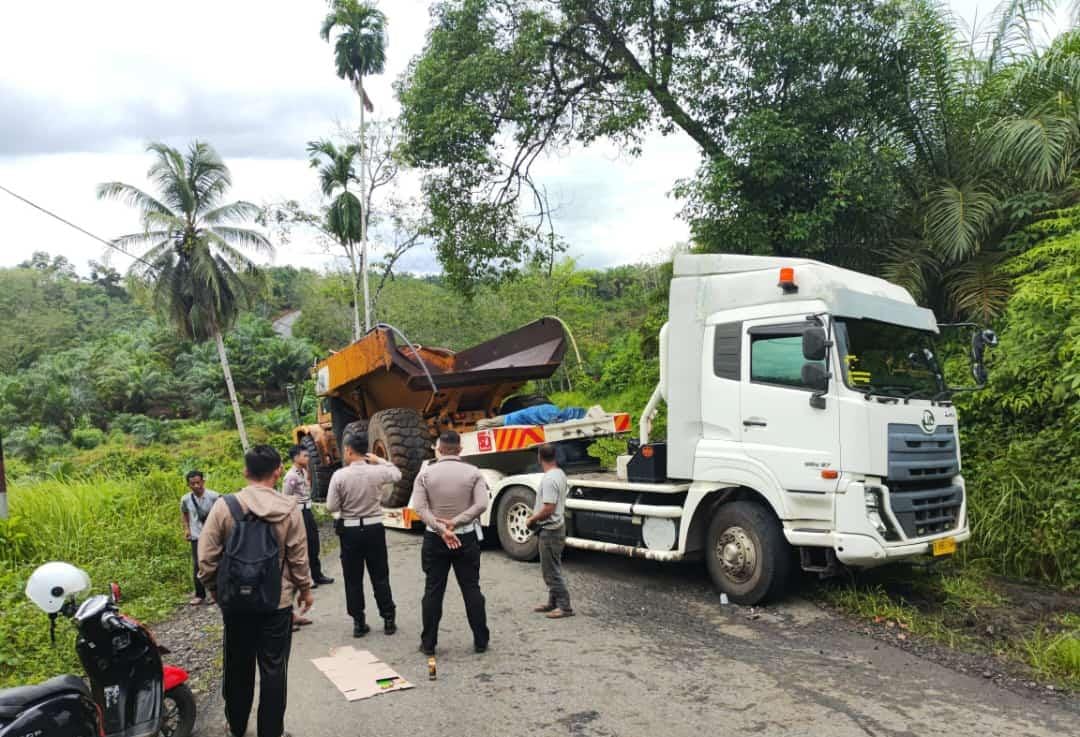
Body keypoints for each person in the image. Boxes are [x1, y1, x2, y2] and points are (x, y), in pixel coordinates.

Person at [198, 445, 314, 737]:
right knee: (274, 670)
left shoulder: (225, 506)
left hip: (237, 604)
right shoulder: (289, 508)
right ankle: (271, 732)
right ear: (277, 471)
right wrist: (304, 589)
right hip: (277, 603)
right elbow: (299, 557)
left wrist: (214, 589)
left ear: (245, 471)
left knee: (238, 667)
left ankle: (236, 728)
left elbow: (206, 559)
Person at [412, 430, 490, 655]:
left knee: (433, 590)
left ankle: (429, 643)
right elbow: (481, 504)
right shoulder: (473, 473)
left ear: (438, 448)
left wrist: (441, 528)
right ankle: (481, 640)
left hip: (435, 538)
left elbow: (420, 508)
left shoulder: (425, 475)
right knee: (471, 588)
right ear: (460, 449)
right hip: (465, 536)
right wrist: (456, 522)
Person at [326, 429, 401, 638]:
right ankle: (388, 618)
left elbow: (332, 506)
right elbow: (397, 474)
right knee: (380, 575)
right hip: (374, 528)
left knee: (353, 578)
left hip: (350, 531)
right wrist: (380, 460)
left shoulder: (339, 476)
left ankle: (359, 622)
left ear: (349, 450)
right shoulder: (377, 472)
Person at [525, 444, 573, 618]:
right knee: (554, 566)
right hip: (557, 527)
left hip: (550, 531)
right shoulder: (559, 474)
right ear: (555, 456)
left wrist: (532, 519)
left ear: (539, 457)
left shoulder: (549, 479)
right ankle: (552, 602)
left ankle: (564, 606)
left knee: (550, 571)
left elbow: (548, 508)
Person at [283, 445, 334, 588]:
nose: (308, 458)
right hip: (298, 513)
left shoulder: (304, 472)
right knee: (302, 546)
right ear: (296, 457)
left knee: (313, 543)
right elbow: (286, 498)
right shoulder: (291, 476)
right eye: (304, 455)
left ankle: (317, 575)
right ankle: (305, 579)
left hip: (307, 511)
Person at [180, 470, 220, 606]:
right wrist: (186, 529)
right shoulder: (185, 499)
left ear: (203, 481)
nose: (196, 486)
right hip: (197, 535)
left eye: (198, 482)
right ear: (188, 485)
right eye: (193, 484)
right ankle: (199, 594)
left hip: (214, 535)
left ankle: (216, 593)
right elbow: (184, 513)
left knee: (216, 562)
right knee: (198, 564)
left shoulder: (214, 496)